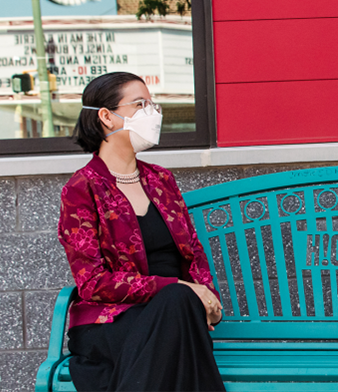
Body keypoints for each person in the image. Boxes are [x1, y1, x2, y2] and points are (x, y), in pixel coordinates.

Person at [57, 72, 226, 392]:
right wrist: (177, 287)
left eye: (153, 104)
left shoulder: (161, 180)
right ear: (106, 117)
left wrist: (206, 295)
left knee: (178, 308)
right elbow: (92, 283)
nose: (153, 112)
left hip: (176, 313)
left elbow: (192, 251)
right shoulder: (82, 188)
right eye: (140, 104)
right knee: (177, 304)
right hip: (112, 320)